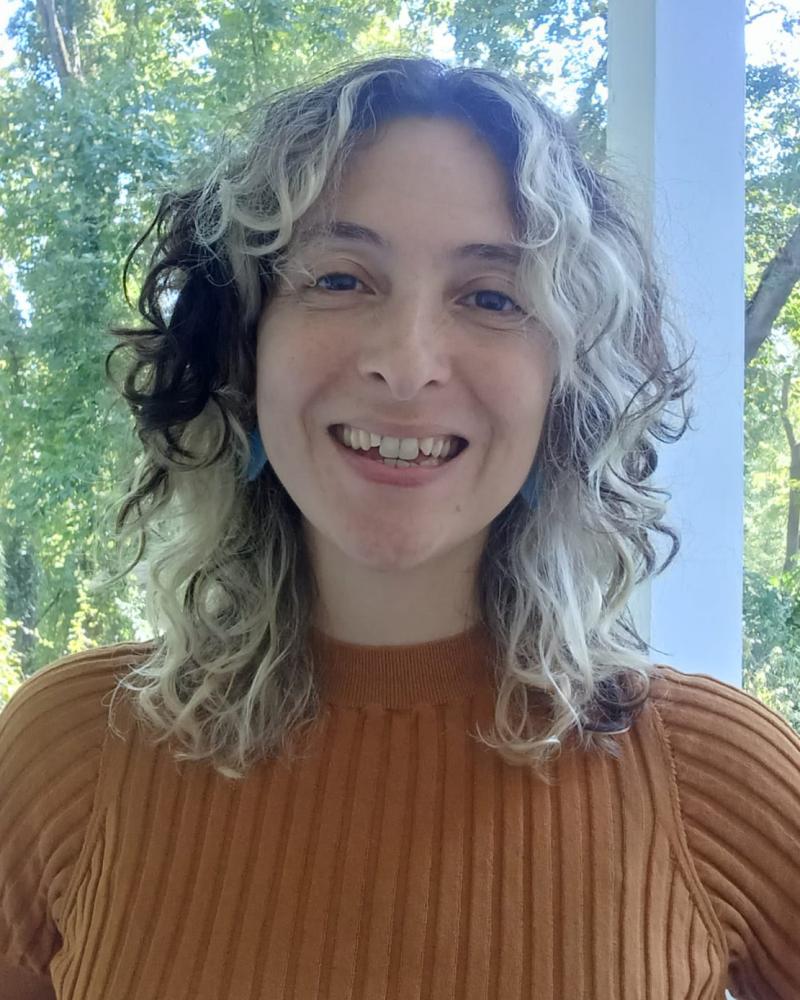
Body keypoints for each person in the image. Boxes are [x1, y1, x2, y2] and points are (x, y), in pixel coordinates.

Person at [1, 54, 798, 1000]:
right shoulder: (67, 755)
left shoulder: (718, 774)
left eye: (492, 297)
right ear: (243, 353)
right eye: (340, 279)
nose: (408, 363)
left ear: (565, 392)